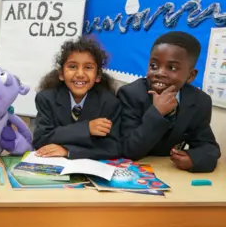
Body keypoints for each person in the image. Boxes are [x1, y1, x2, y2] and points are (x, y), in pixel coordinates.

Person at [117, 31, 220, 172]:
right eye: (153, 65)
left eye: (172, 68)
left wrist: (194, 159)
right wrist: (157, 113)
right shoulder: (131, 94)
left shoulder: (199, 101)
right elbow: (128, 149)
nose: (159, 73)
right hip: (135, 169)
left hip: (170, 172)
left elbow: (209, 147)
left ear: (190, 75)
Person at [33, 37, 121, 160]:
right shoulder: (46, 98)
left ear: (98, 76)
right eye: (72, 67)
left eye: (88, 67)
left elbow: (112, 147)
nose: (80, 74)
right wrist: (87, 129)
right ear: (61, 74)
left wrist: (68, 151)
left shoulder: (109, 103)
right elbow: (41, 139)